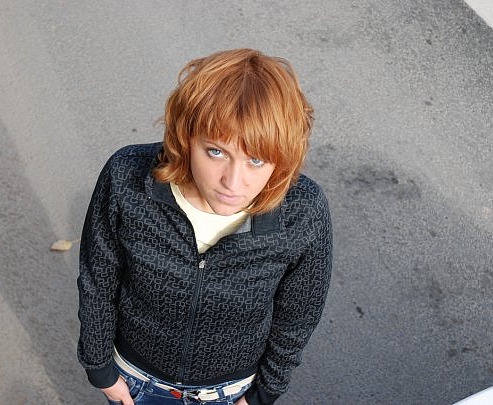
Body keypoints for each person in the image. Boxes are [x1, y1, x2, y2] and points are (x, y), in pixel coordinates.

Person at [77, 48, 333, 405]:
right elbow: (98, 279)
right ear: (186, 137)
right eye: (216, 152)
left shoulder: (303, 211)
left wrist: (263, 394)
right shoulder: (126, 177)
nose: (233, 182)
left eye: (256, 160)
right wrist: (100, 369)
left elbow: (298, 317)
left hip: (231, 394)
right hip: (135, 382)